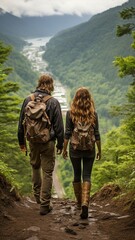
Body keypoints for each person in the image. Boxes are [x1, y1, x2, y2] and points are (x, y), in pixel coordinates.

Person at [18, 74, 64, 215]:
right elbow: (59, 127)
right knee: (48, 172)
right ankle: (45, 205)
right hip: (47, 141)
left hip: (32, 141)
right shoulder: (53, 102)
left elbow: (21, 125)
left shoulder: (28, 100)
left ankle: (37, 197)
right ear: (51, 85)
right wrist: (60, 144)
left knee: (35, 167)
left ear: (38, 83)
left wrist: (22, 143)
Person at [63, 87, 101, 219]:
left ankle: (79, 203)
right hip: (90, 149)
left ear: (76, 99)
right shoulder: (93, 114)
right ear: (89, 99)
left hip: (75, 149)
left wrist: (64, 149)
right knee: (87, 176)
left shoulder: (70, 114)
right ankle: (85, 203)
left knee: (76, 175)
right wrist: (99, 151)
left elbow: (67, 133)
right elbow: (97, 135)